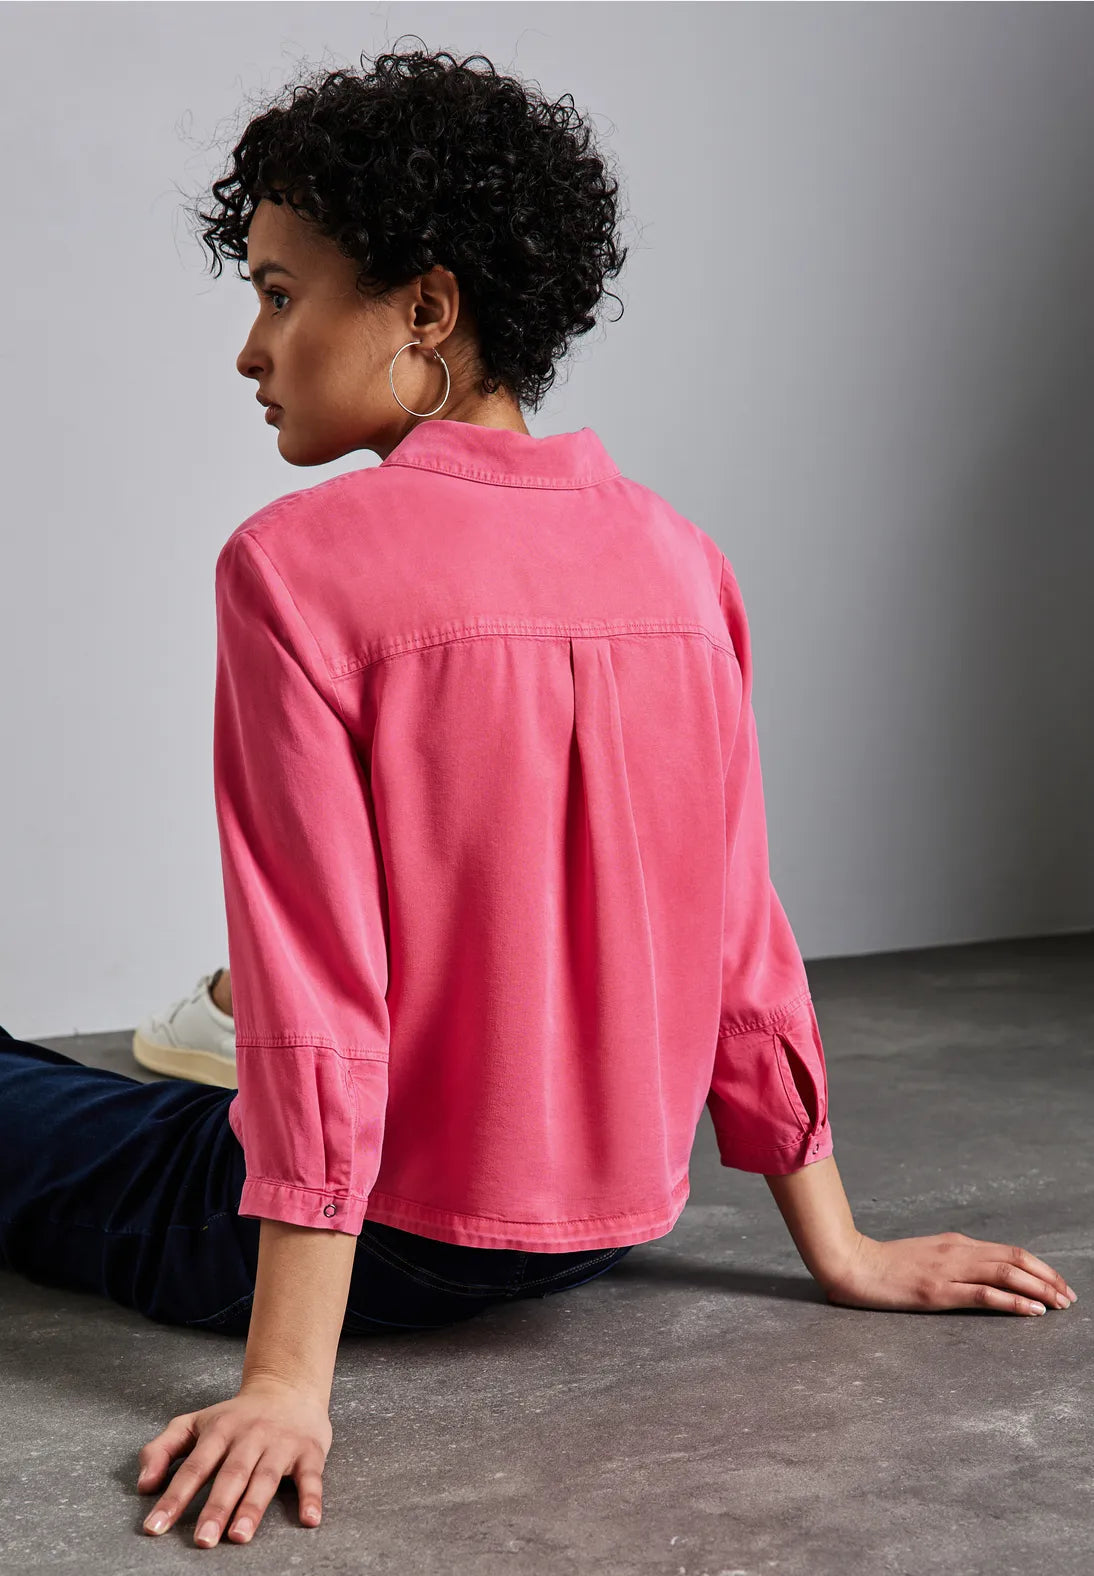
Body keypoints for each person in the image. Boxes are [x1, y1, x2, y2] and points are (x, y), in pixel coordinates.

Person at [0, 40, 1076, 1555]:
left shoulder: (291, 571)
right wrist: (841, 1246)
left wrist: (286, 1383)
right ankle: (195, 1048)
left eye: (281, 295)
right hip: (607, 1229)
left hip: (383, 1248)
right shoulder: (682, 560)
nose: (252, 351)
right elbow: (742, 940)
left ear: (427, 309)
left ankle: (191, 1050)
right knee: (113, 1091)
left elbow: (323, 998)